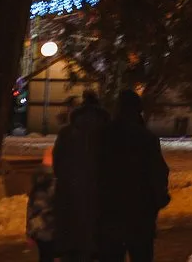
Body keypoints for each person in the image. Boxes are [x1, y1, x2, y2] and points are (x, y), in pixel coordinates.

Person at [96, 90, 171, 262]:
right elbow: (158, 173)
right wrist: (159, 200)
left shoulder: (102, 136)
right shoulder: (147, 138)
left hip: (109, 216)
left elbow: (93, 172)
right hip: (140, 216)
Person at [52, 94, 109, 262]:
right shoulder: (107, 134)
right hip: (98, 197)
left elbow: (58, 164)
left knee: (73, 245)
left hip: (70, 195)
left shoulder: (67, 133)